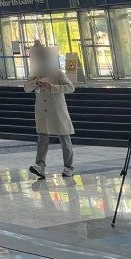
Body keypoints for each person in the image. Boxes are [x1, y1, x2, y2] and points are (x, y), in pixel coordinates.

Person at [25, 44, 76, 179]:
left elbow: (70, 87)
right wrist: (35, 83)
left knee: (64, 139)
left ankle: (68, 167)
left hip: (57, 109)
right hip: (42, 110)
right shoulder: (34, 74)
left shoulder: (57, 73)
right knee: (42, 139)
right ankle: (39, 166)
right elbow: (26, 88)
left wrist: (52, 87)